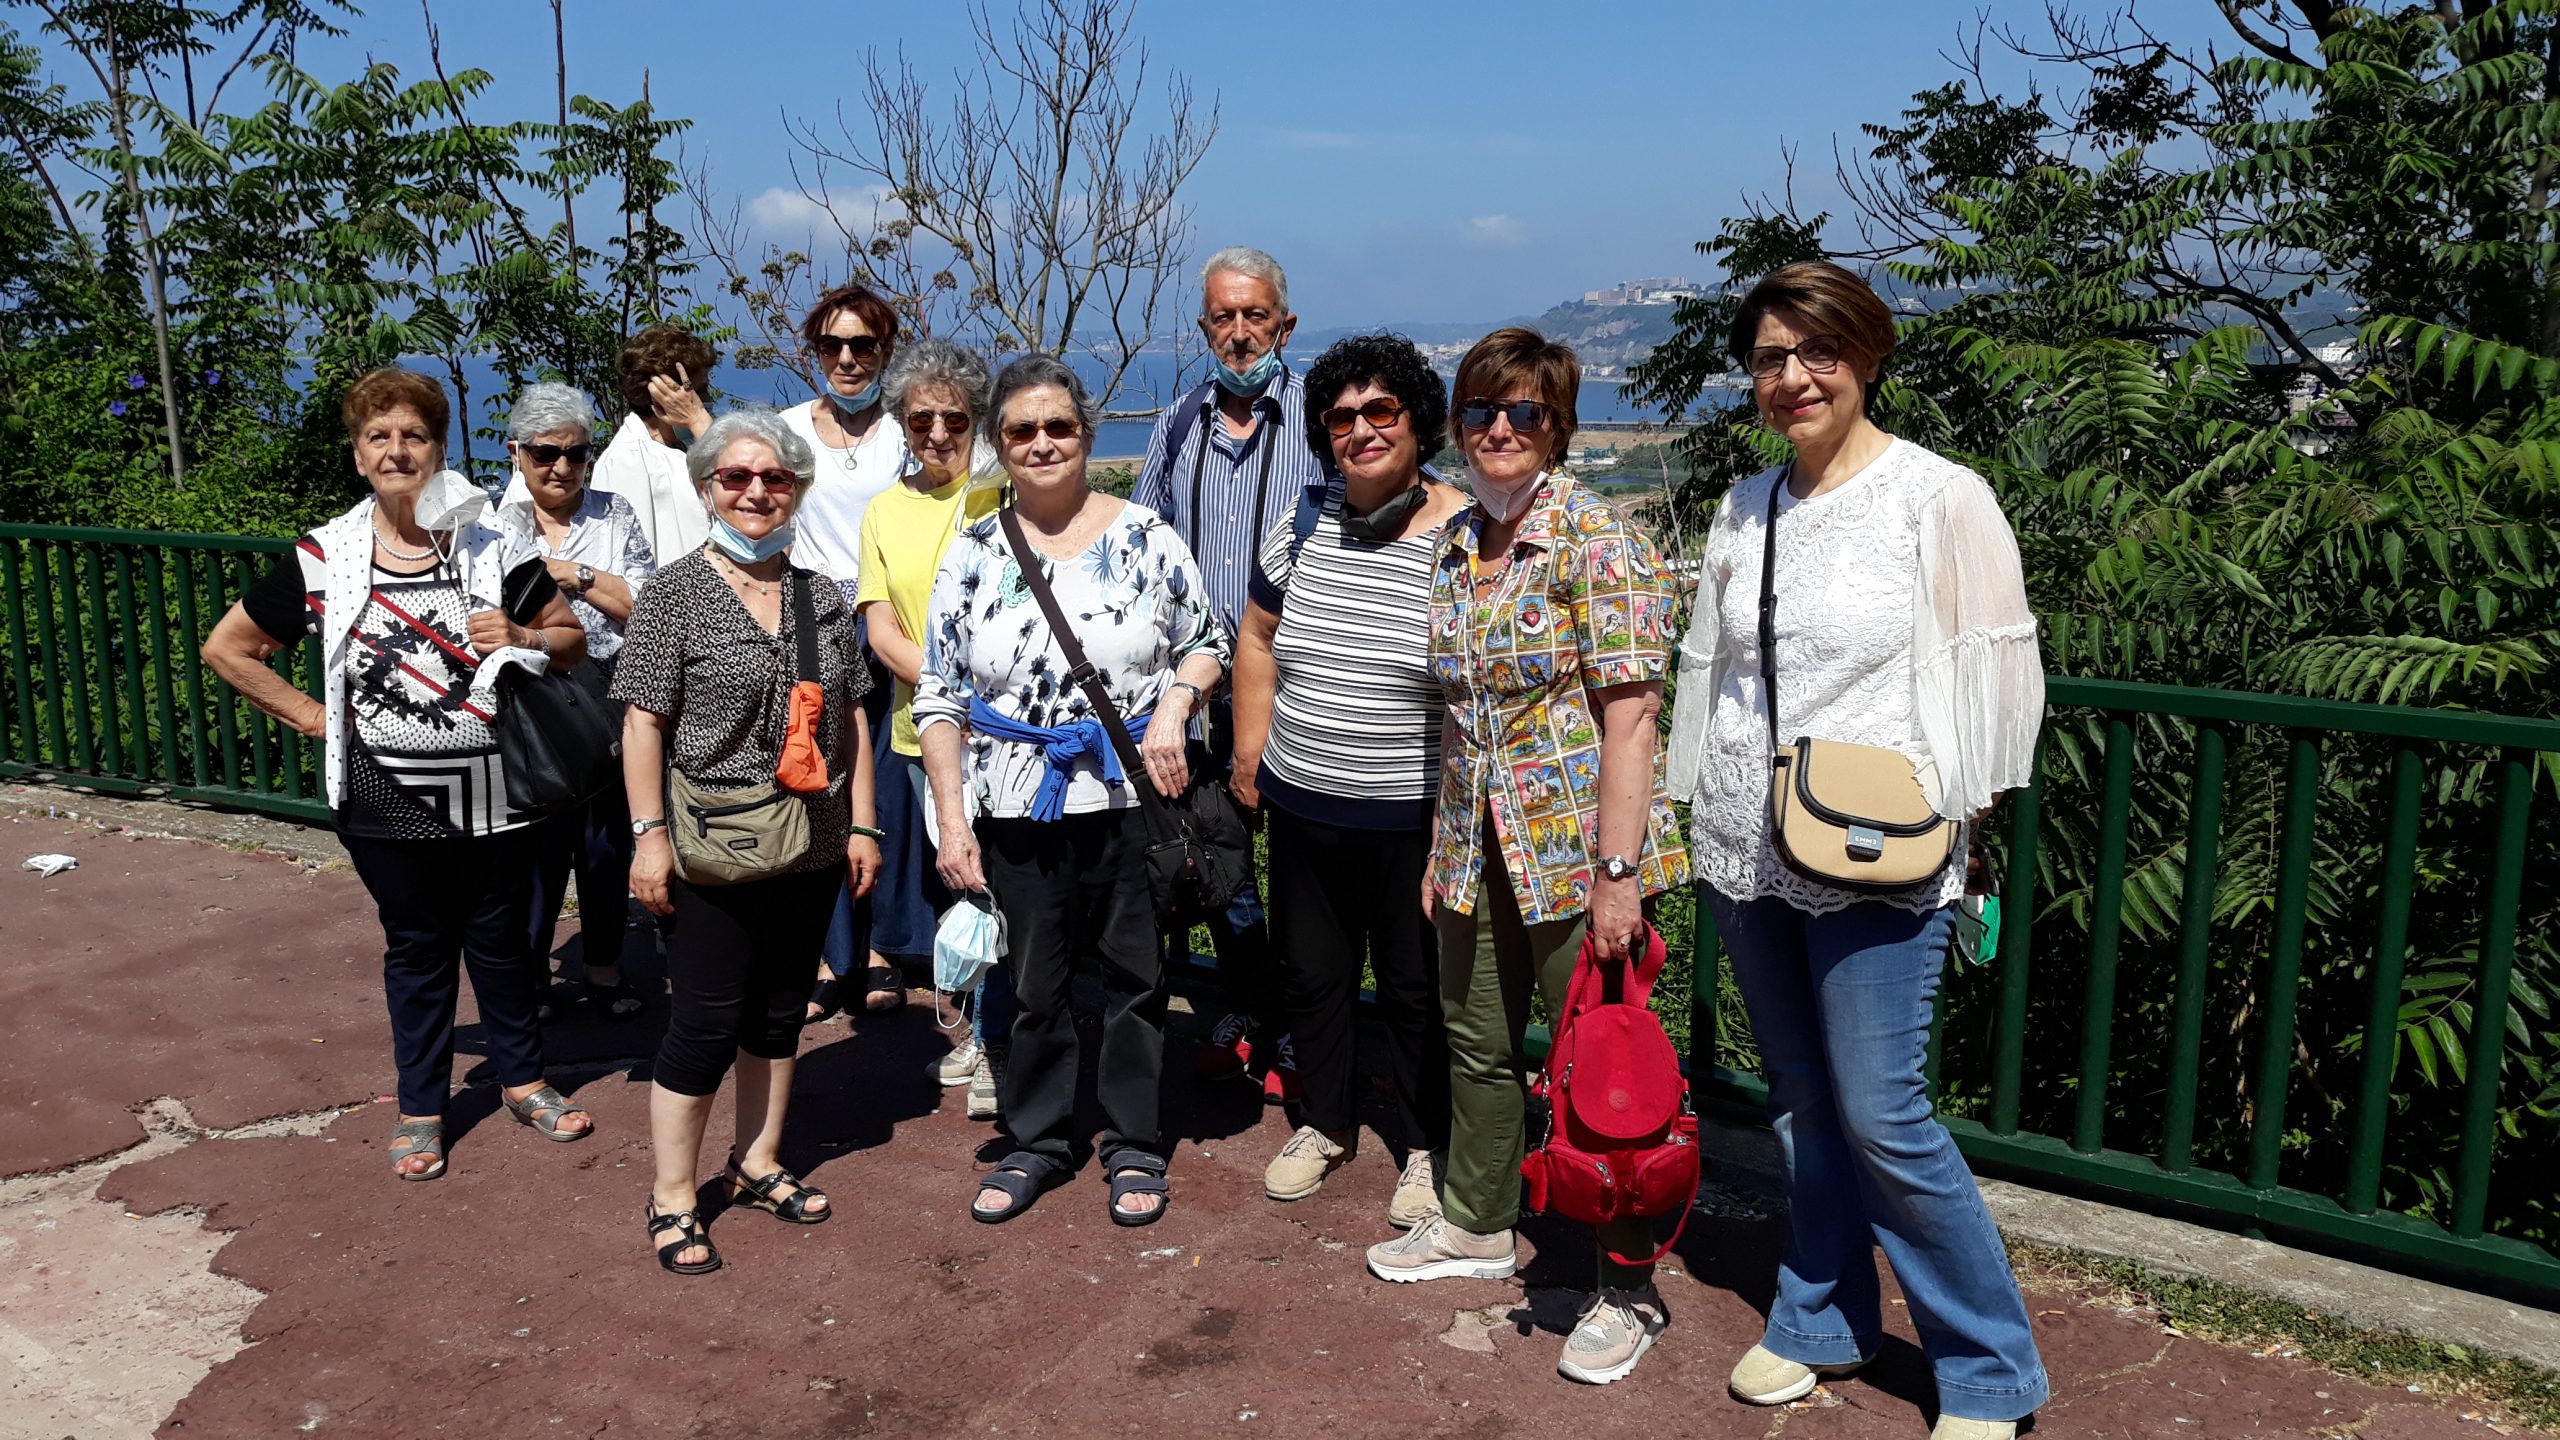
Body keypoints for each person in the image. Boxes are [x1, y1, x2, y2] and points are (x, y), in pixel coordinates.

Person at [1664, 261, 2048, 1439]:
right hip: (1743, 838)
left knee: (1885, 1112)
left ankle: (1987, 1367)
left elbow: (1995, 674)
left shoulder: (1939, 498)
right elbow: (1704, 668)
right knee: (1799, 1102)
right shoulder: (1744, 505)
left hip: (1876, 848)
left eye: (1815, 351)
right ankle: (1817, 1312)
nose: (1792, 377)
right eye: (1770, 358)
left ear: (1868, 354)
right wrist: (1687, 805)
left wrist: (1958, 828)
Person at [1361, 328, 1692, 1388]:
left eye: (1523, 414)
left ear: (1558, 426)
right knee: (1477, 1043)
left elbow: (1632, 720)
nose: (1498, 431)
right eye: (1479, 413)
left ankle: (1625, 1285)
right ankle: (1477, 1222)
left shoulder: (1601, 542)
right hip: (1474, 846)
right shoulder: (1457, 544)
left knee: (1607, 1076)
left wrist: (1617, 872)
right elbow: (1457, 719)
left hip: (1573, 854)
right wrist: (1439, 845)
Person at [202, 367, 596, 1182]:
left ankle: (522, 1081)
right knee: (417, 948)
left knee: (505, 944)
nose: (397, 449)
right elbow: (228, 648)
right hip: (384, 795)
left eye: (413, 435)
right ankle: (423, 1107)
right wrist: (316, 719)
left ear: (439, 448)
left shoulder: (493, 540)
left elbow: (571, 640)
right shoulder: (326, 555)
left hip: (501, 787)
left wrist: (519, 632)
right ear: (357, 457)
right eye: (378, 436)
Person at [915, 355, 1228, 1227]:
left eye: (1058, 426)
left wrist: (1173, 708)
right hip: (1015, 802)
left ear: (1087, 436)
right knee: (1034, 982)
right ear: (999, 446)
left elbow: (1207, 640)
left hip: (1130, 800)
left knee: (1135, 979)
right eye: (1022, 430)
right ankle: (1038, 1140)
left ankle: (1133, 1143)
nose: (1043, 443)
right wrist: (950, 816)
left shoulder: (1145, 534)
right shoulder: (975, 549)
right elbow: (939, 692)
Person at [611, 407, 882, 1275]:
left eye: (774, 479)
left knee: (777, 1013)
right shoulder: (674, 594)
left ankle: (758, 1158)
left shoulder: (820, 596)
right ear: (706, 489)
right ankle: (673, 1195)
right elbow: (643, 724)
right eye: (737, 478)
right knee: (703, 1022)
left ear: (796, 489)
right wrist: (648, 838)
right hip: (711, 843)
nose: (757, 493)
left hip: (808, 840)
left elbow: (852, 717)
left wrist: (864, 822)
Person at [1229, 335, 1468, 1225]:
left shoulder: (1461, 532)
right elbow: (1256, 636)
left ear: (1417, 421)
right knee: (1314, 975)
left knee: (1415, 990)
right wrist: (1251, 752)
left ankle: (1421, 1145)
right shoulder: (1303, 520)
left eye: (1381, 412)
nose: (1361, 431)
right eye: (1341, 416)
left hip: (1413, 813)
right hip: (1302, 800)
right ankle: (1324, 1122)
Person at [1130, 246, 1323, 1101]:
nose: (1239, 333)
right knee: (1221, 863)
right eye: (1222, 317)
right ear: (1204, 325)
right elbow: (1137, 549)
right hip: (1199, 690)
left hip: (1308, 684)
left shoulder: (1326, 418)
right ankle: (1254, 1012)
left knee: (1311, 872)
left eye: (1255, 316)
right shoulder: (1178, 425)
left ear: (1285, 322)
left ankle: (1312, 1030)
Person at [854, 339, 1010, 1117]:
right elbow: (882, 632)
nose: (941, 434)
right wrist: (953, 696)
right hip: (927, 735)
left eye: (955, 418)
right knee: (964, 890)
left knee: (1006, 893)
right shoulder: (884, 510)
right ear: (902, 425)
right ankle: (985, 1033)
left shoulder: (1002, 494)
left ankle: (1002, 1041)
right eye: (923, 421)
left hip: (1015, 732)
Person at [495, 383, 657, 1023]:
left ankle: (604, 968)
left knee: (606, 844)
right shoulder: (489, 522)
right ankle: (531, 977)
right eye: (544, 453)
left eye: (575, 453)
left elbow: (647, 607)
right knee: (533, 849)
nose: (560, 466)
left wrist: (571, 575)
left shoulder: (614, 514)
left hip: (609, 692)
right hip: (528, 699)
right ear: (517, 453)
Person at [779, 283, 913, 1019]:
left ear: (885, 351)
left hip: (889, 615)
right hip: (808, 617)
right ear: (814, 352)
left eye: (864, 344)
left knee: (885, 783)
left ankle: (884, 948)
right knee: (817, 781)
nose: (849, 358)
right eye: (833, 344)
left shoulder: (906, 429)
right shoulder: (788, 429)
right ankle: (830, 956)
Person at [590, 324, 718, 563]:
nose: (707, 400)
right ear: (662, 395)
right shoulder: (627, 460)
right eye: (700, 390)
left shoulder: (685, 444)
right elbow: (632, 558)